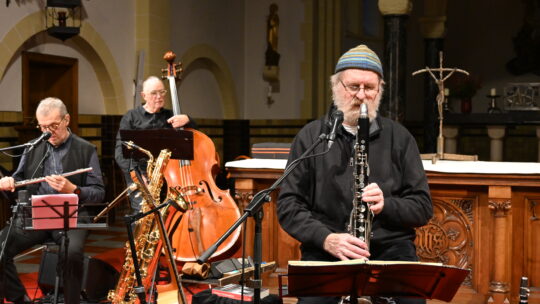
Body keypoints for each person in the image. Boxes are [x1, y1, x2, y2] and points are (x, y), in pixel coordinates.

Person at [277, 45, 433, 304]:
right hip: (328, 250)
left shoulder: (400, 138)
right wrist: (326, 239)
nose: (361, 95)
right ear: (336, 87)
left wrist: (387, 205)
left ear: (379, 91)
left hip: (390, 251)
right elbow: (288, 205)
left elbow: (423, 207)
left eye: (370, 88)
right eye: (353, 87)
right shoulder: (311, 137)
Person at [0, 97, 105, 304]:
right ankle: (19, 297)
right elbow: (20, 179)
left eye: (54, 126)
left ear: (67, 120)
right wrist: (10, 183)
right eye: (43, 127)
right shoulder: (32, 147)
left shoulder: (86, 149)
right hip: (35, 214)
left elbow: (99, 192)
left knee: (72, 254)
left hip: (72, 216)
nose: (48, 132)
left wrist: (74, 189)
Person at [115, 75, 196, 212]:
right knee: (143, 214)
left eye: (162, 92)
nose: (159, 96)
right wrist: (138, 178)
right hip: (140, 176)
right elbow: (120, 153)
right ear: (143, 95)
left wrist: (188, 120)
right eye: (154, 93)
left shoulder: (172, 116)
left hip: (168, 177)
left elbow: (194, 139)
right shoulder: (131, 117)